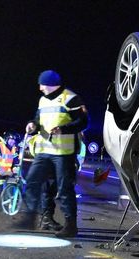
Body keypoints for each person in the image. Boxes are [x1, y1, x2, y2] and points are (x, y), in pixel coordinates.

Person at [13, 70, 88, 237]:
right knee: (33, 182)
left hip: (63, 153)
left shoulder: (71, 98)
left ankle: (70, 225)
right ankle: (37, 218)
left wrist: (64, 129)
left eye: (42, 85)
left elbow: (83, 122)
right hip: (44, 151)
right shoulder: (42, 100)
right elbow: (38, 119)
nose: (40, 88)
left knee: (64, 188)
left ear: (52, 85)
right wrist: (32, 124)